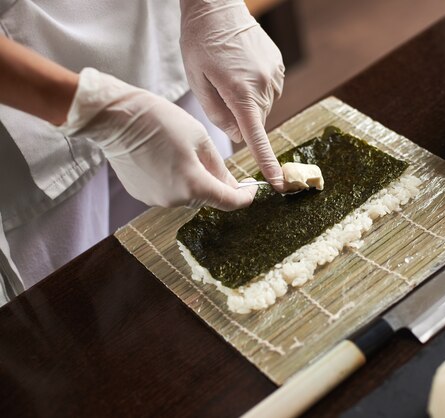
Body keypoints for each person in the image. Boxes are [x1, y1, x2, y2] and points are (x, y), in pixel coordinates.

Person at [0, 0, 286, 305]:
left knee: (222, 263)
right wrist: (95, 111)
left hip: (159, 42)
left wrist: (212, 4)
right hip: (26, 120)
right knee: (89, 308)